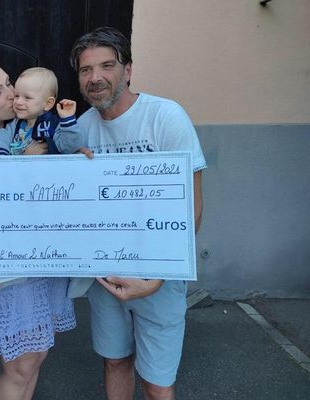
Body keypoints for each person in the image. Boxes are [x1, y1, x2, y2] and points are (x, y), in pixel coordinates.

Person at [59, 27, 207, 400]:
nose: (96, 78)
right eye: (85, 69)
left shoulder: (166, 117)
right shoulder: (79, 130)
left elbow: (193, 209)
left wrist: (155, 279)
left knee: (158, 383)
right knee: (115, 361)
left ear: (128, 70)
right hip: (105, 275)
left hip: (159, 276)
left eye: (107, 66)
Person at [0, 58, 79, 400]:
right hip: (7, 266)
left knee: (36, 356)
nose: (12, 94)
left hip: (44, 258)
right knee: (18, 365)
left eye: (9, 82)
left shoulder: (38, 128)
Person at [0, 67, 80, 156]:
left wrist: (68, 120)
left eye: (27, 98)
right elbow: (1, 137)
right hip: (17, 169)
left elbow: (69, 148)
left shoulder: (52, 126)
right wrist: (1, 158)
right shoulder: (15, 125)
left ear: (48, 104)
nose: (18, 102)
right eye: (17, 96)